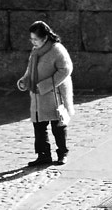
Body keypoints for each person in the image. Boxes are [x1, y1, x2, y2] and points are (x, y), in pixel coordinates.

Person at [16, 20, 73, 168]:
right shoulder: (35, 52)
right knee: (39, 126)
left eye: (35, 39)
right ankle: (43, 155)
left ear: (45, 38)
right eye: (31, 39)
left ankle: (62, 153)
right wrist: (24, 81)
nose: (32, 42)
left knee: (58, 125)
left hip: (54, 94)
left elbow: (65, 70)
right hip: (37, 95)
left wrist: (46, 85)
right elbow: (30, 70)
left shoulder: (57, 50)